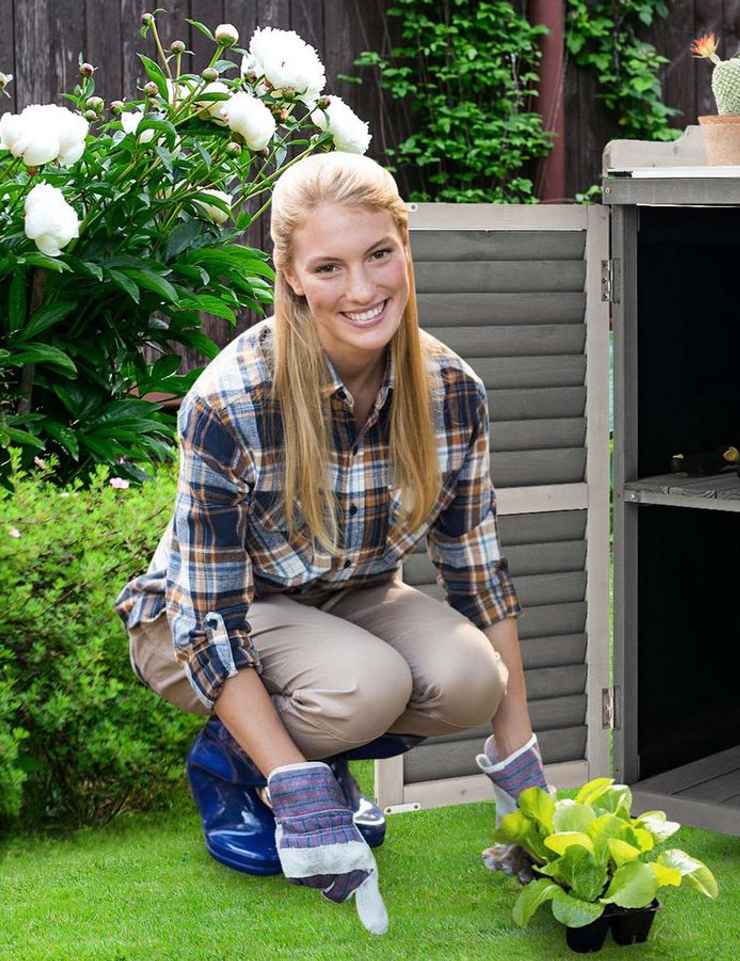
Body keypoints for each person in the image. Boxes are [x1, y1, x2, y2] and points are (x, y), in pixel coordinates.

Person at [115, 151, 548, 934]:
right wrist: (292, 780)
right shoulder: (230, 401)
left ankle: (313, 762)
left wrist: (522, 771)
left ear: (404, 245)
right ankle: (237, 768)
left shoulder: (452, 391)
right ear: (290, 274)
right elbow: (207, 615)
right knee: (364, 686)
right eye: (329, 266)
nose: (362, 289)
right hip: (194, 626)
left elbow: (478, 576)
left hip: (344, 602)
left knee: (469, 678)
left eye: (379, 254)